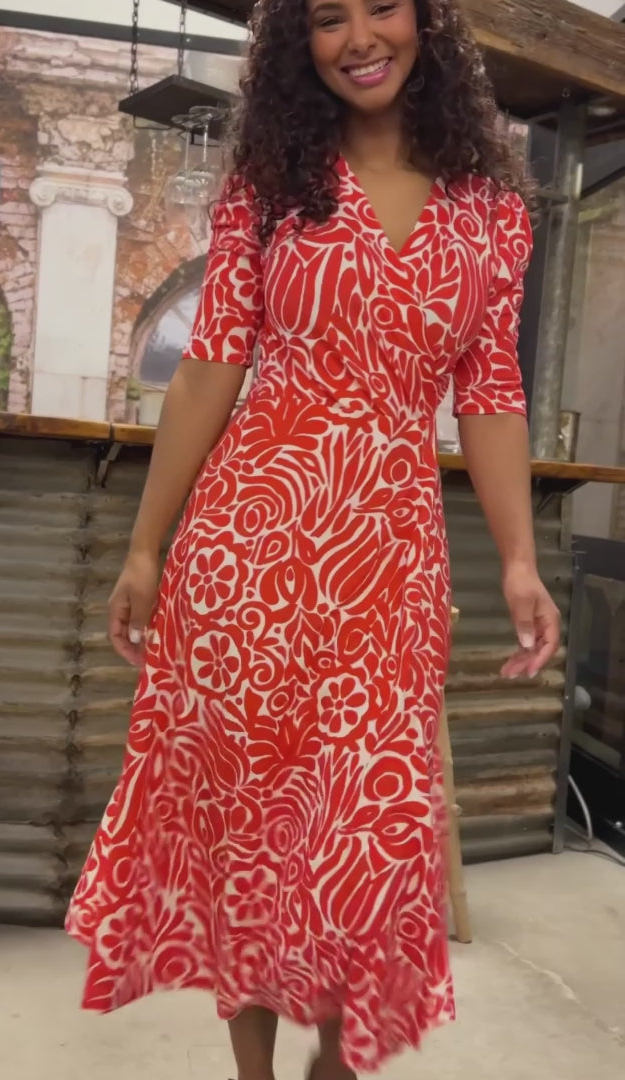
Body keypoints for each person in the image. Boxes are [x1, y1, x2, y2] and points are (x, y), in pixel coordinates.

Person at [66, 1, 561, 1077]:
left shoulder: (492, 211)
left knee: (370, 830)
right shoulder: (273, 184)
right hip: (249, 549)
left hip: (389, 561)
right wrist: (147, 548)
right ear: (302, 43)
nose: (360, 38)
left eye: (382, 6)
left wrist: (521, 560)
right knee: (248, 820)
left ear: (426, 20)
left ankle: (336, 1060)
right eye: (328, 18)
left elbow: (491, 393)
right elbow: (209, 365)